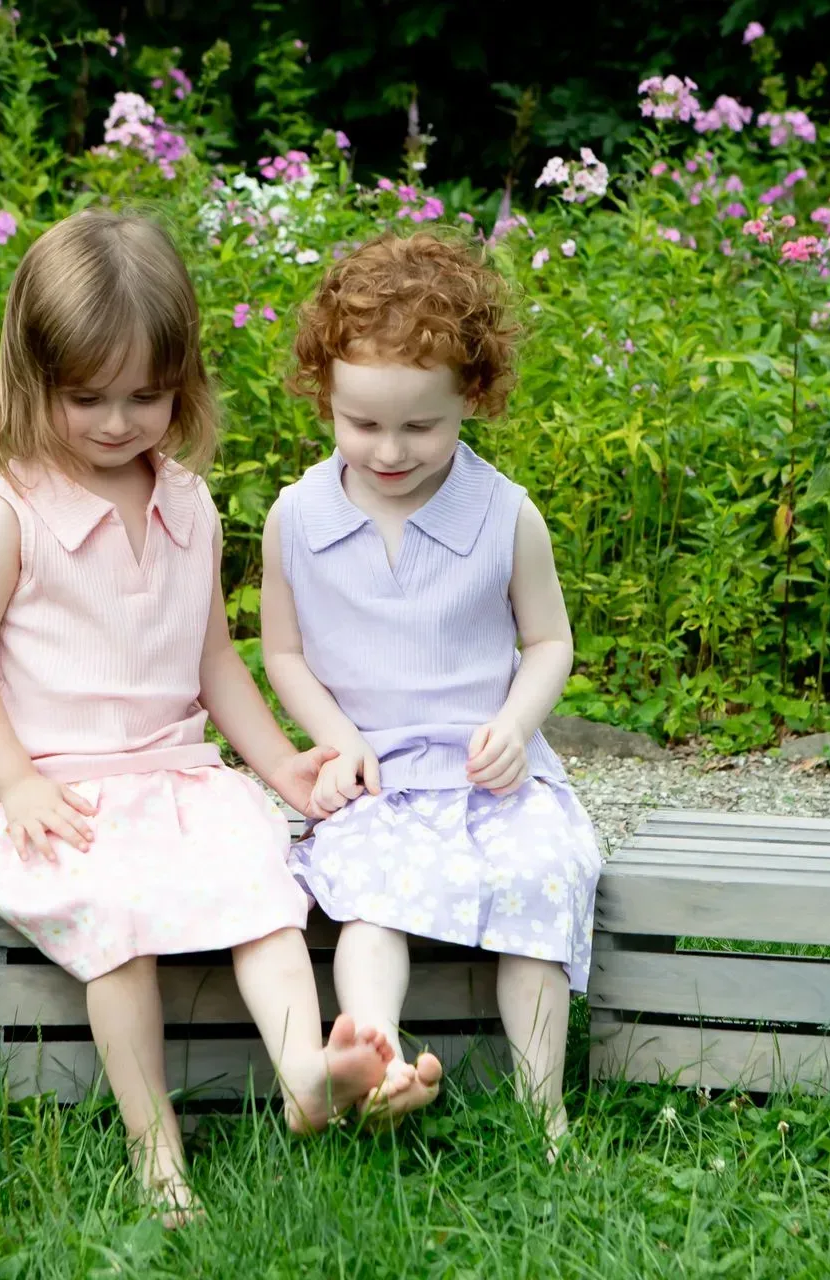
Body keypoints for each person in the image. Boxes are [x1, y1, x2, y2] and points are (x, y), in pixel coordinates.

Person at [0, 210, 393, 1223]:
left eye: (145, 396)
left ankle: (306, 1075)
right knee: (119, 923)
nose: (116, 422)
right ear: (32, 378)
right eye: (87, 397)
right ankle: (156, 1149)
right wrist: (15, 778)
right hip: (66, 786)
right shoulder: (8, 512)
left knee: (264, 889)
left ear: (181, 385)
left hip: (177, 778)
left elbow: (211, 657)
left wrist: (280, 767)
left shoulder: (188, 504)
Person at [262, 231, 602, 1150]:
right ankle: (373, 1060)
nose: (389, 450)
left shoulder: (504, 515)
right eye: (362, 423)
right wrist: (339, 738)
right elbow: (283, 652)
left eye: (422, 426)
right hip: (376, 773)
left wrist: (514, 723)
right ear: (323, 393)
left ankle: (544, 1105)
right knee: (371, 893)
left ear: (473, 399)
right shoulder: (298, 519)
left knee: (542, 875)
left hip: (489, 765)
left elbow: (549, 641)